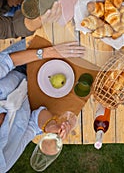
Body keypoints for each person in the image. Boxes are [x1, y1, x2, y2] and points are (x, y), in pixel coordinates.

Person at [0, 40, 85, 173]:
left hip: (20, 61)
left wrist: (47, 52)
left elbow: (6, 62)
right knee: (87, 64)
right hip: (36, 93)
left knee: (67, 37)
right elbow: (33, 125)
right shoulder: (3, 164)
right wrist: (50, 125)